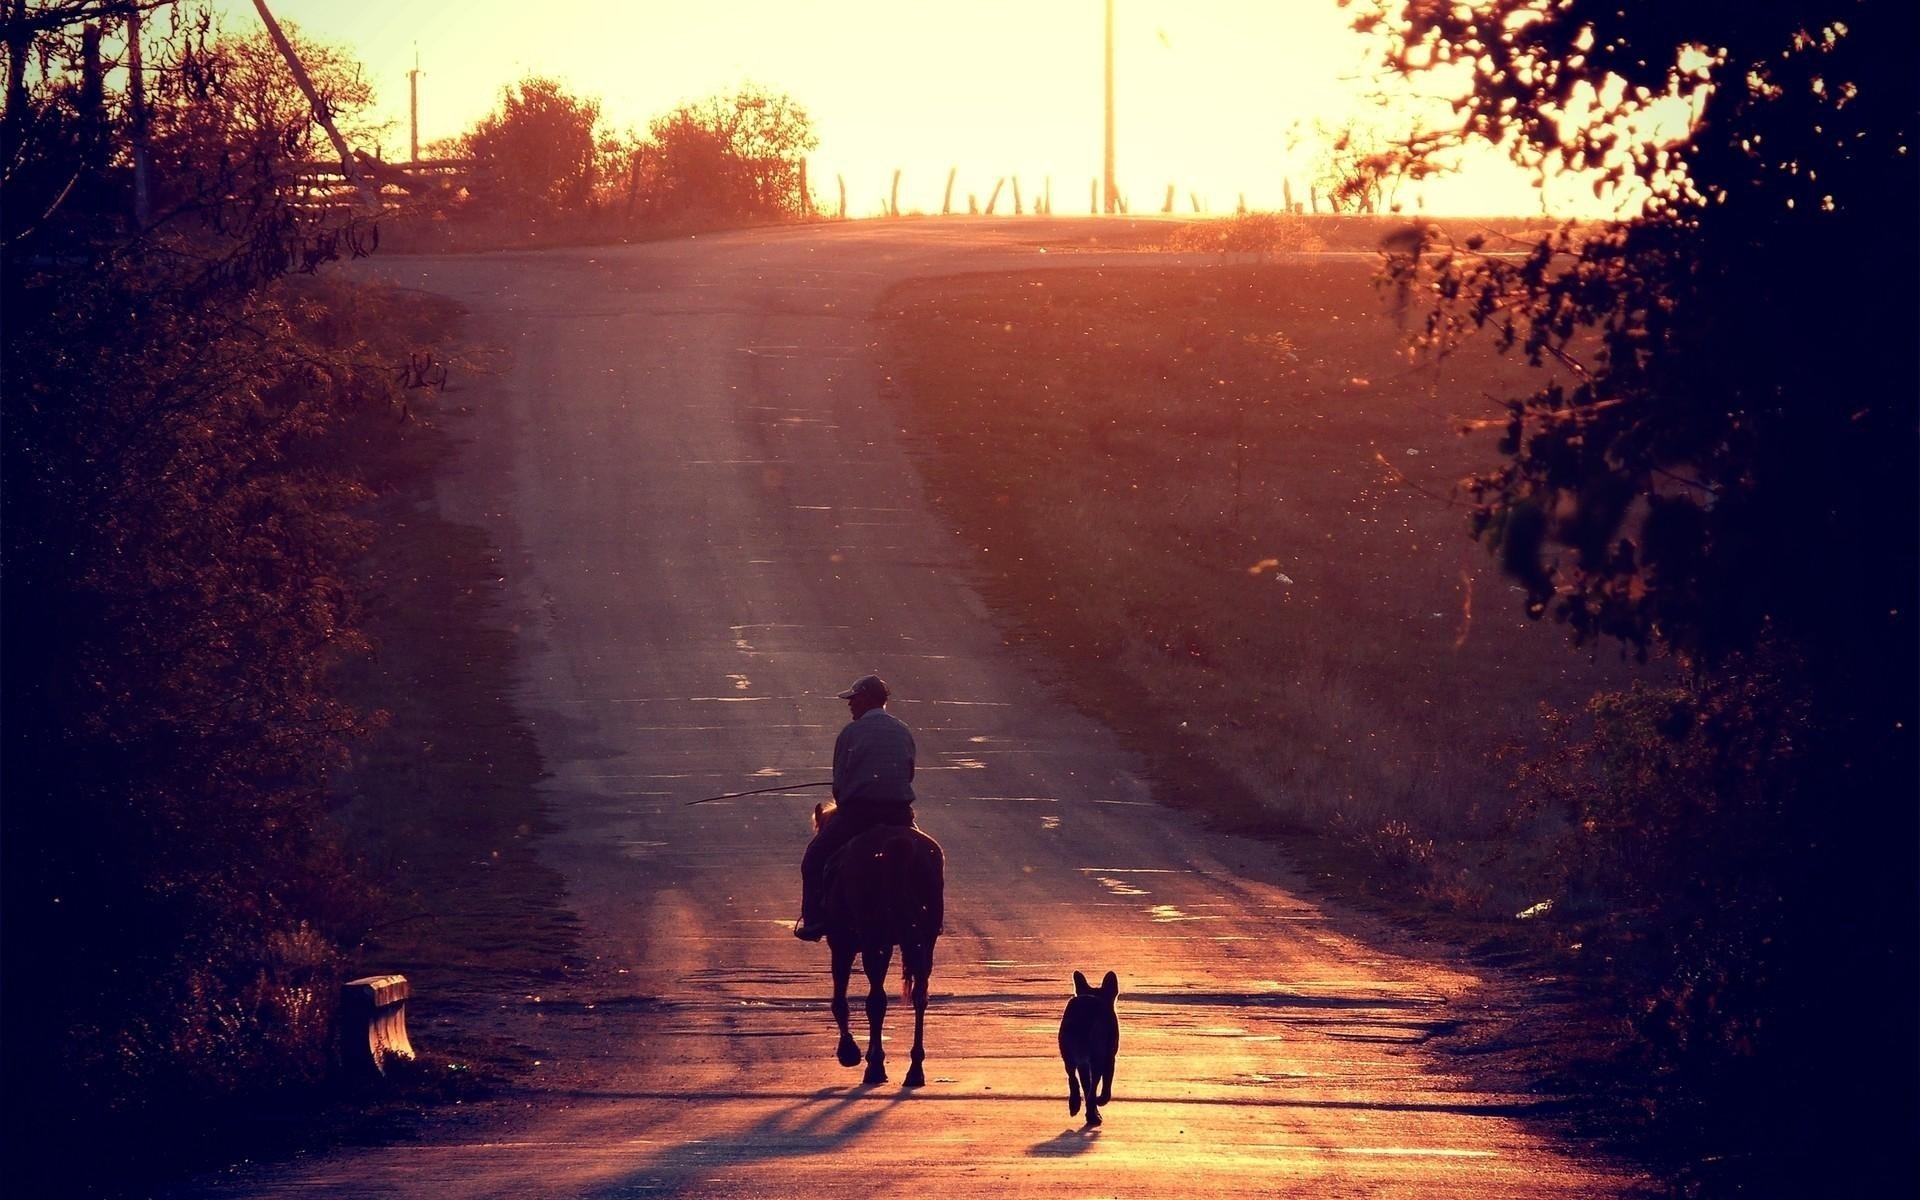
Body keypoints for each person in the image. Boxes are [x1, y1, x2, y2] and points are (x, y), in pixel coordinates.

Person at [793, 674, 917, 941]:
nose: (850, 705)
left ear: (867, 700)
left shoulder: (851, 733)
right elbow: (908, 772)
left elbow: (839, 783)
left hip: (859, 815)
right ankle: (928, 918)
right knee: (926, 855)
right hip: (900, 814)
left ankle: (814, 920)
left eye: (854, 700)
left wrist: (851, 791)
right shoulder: (903, 730)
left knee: (814, 858)